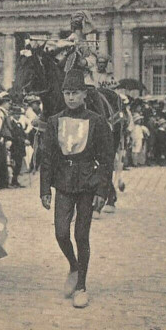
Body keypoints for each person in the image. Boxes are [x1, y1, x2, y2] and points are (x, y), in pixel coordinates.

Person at [39, 69, 113, 309]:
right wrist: (44, 189)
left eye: (75, 93)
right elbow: (47, 157)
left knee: (82, 235)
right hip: (63, 182)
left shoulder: (97, 121)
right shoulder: (54, 121)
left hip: (87, 183)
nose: (71, 97)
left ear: (84, 94)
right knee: (61, 232)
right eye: (67, 93)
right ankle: (73, 265)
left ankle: (81, 286)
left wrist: (102, 191)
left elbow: (106, 159)